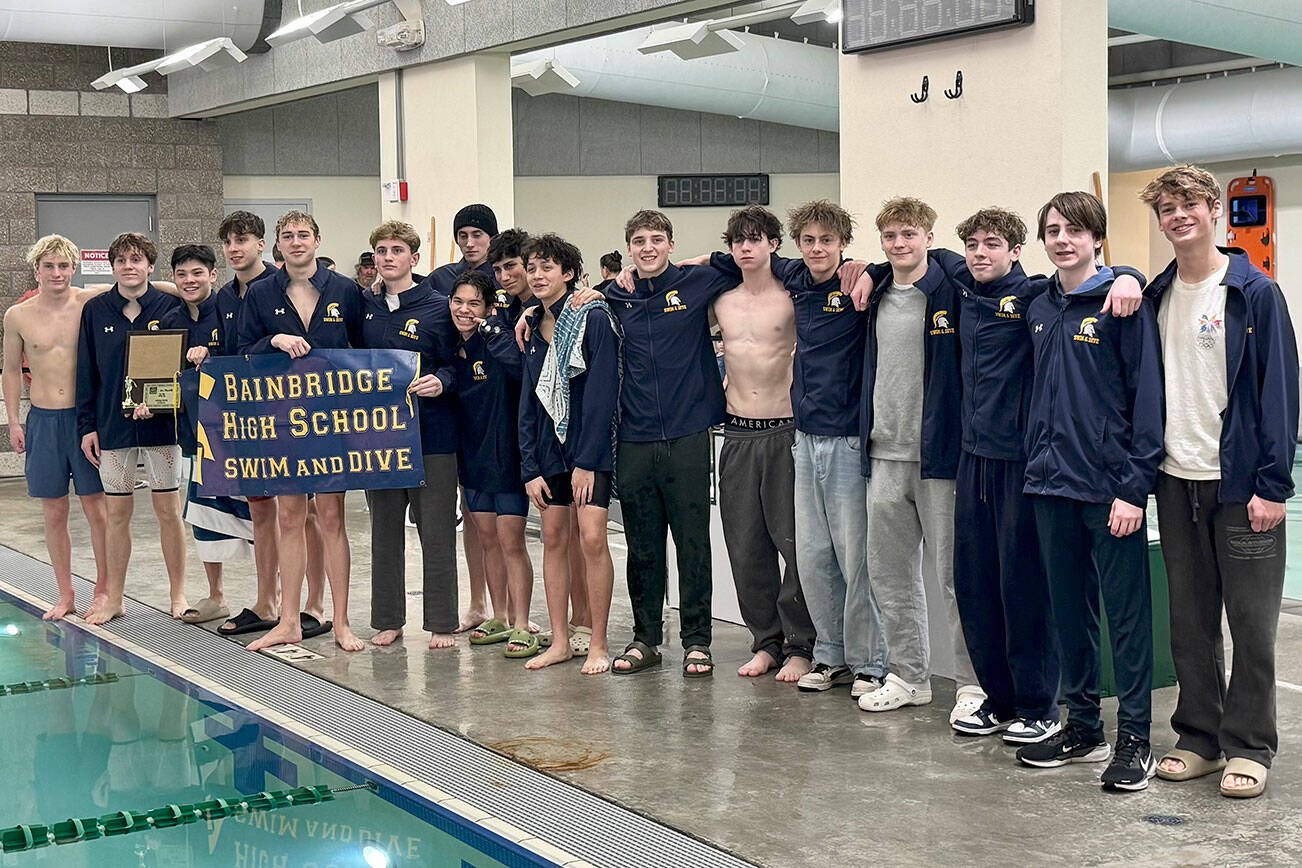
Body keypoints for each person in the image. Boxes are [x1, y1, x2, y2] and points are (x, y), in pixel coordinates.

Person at [1140, 165, 1298, 799]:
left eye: (1190, 206)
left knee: (1252, 623)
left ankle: (1251, 744)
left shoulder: (1255, 293)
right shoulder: (1156, 293)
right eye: (1168, 209)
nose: (1179, 217)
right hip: (1177, 482)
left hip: (1241, 486)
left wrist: (1274, 486)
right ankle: (1200, 736)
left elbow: (1280, 394)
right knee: (1190, 619)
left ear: (1215, 212)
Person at [1014, 191, 1164, 792]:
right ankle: (1082, 726)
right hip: (1050, 483)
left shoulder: (1123, 305)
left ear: (1096, 238)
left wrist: (1134, 488)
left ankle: (1135, 738)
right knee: (1068, 614)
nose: (1062, 239)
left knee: (1126, 617)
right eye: (1052, 230)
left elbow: (1147, 401)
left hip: (1110, 490)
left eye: (1075, 230)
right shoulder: (1038, 304)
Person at [601, 210, 738, 678]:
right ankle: (645, 638)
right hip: (635, 439)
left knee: (692, 543)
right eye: (638, 240)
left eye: (657, 239)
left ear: (671, 244)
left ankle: (697, 641)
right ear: (628, 249)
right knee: (642, 546)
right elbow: (568, 307)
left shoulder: (697, 281)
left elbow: (748, 261)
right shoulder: (614, 296)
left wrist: (708, 255)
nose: (648, 248)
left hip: (688, 434)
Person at [854, 198, 978, 714]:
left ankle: (974, 684)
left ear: (928, 235)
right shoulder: (876, 290)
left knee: (955, 577)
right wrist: (869, 269)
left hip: (940, 460)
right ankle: (909, 676)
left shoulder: (951, 285)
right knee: (889, 574)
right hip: (885, 454)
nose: (899, 244)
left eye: (909, 234)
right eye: (889, 236)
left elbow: (960, 261)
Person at [238, 210, 365, 652]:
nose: (296, 242)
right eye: (287, 236)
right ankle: (289, 619)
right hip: (282, 420)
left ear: (317, 239)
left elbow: (367, 353)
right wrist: (273, 341)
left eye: (303, 235)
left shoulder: (346, 291)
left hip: (332, 421)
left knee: (331, 518)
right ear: (277, 243)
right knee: (290, 517)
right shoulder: (260, 294)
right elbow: (241, 352)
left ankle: (343, 621)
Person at [212, 210, 331, 639]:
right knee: (262, 508)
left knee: (308, 511)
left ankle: (314, 602)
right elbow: (237, 350)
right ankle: (268, 599)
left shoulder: (284, 286)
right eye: (228, 242)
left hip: (311, 415)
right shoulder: (226, 296)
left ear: (265, 244)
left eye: (243, 240)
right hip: (256, 418)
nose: (235, 249)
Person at [711, 206, 815, 681]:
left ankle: (800, 645)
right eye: (739, 240)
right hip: (737, 433)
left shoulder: (793, 298)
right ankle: (765, 641)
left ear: (775, 243)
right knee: (745, 544)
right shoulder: (721, 301)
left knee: (792, 543)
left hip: (784, 430)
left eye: (756, 239)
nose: (747, 247)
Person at [517, 234, 621, 675]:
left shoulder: (591, 319)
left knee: (593, 540)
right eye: (533, 268)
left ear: (569, 274)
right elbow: (527, 399)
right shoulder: (529, 325)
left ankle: (597, 643)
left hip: (586, 453)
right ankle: (560, 641)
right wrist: (530, 466)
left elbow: (602, 396)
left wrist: (588, 461)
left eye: (547, 268)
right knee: (554, 541)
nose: (538, 276)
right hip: (547, 455)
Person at [361, 220, 461, 651]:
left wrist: (443, 380)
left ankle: (442, 621)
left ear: (414, 259)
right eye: (381, 250)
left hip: (432, 436)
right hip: (380, 439)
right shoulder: (363, 308)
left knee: (435, 530)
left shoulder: (440, 306)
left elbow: (459, 361)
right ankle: (387, 618)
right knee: (384, 530)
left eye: (397, 250)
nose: (388, 257)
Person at [75, 232, 185, 624]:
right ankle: (114, 597)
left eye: (137, 259)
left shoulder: (170, 305)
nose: (129, 266)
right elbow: (86, 373)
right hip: (112, 426)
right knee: (116, 514)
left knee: (168, 510)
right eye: (121, 260)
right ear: (113, 267)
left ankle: (178, 595)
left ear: (150, 266)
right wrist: (87, 426)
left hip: (161, 427)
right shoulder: (96, 310)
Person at [3, 235, 108, 620]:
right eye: (49, 266)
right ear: (37, 270)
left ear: (74, 268)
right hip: (43, 421)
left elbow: (142, 284)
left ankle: (104, 591)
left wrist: (192, 287)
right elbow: (12, 370)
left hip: (84, 420)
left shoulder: (89, 301)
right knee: (54, 512)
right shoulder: (19, 316)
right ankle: (65, 594)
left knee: (98, 510)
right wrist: (15, 421)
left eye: (64, 266)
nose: (57, 273)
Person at [154, 244, 252, 626]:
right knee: (204, 516)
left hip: (239, 434)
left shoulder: (231, 312)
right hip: (195, 435)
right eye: (181, 275)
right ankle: (216, 596)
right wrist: (149, 399)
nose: (189, 281)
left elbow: (246, 358)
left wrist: (214, 358)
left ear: (213, 275)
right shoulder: (171, 317)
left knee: (258, 514)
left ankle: (272, 598)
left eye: (197, 273)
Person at [450, 270, 536, 656]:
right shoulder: (452, 347)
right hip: (473, 458)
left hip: (507, 458)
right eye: (459, 302)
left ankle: (522, 621)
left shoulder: (499, 342)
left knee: (511, 542)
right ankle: (498, 615)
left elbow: (519, 370)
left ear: (488, 308)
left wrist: (492, 330)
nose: (464, 311)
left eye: (474, 304)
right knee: (486, 540)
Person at [427, 204, 499, 297]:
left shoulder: (505, 278)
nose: (469, 244)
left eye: (477, 235)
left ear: (492, 238)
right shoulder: (440, 279)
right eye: (463, 236)